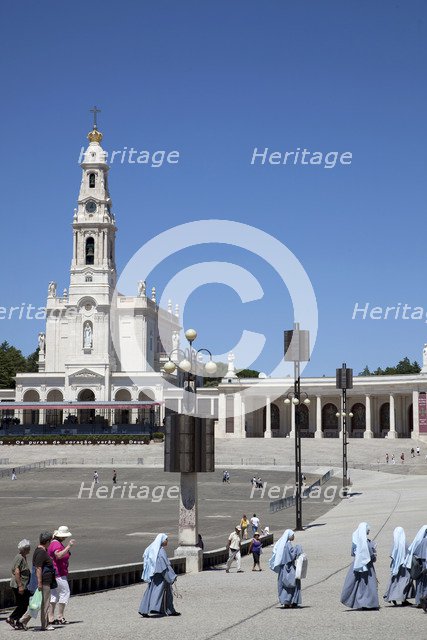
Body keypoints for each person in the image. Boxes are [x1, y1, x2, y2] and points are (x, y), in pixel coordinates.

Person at [19, 531, 56, 631]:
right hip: (44, 582)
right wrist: (39, 583)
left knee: (37, 604)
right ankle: (45, 624)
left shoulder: (40, 551)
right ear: (47, 541)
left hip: (44, 582)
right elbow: (38, 568)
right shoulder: (41, 552)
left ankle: (23, 620)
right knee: (45, 604)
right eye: (50, 541)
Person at [138, 533, 180, 617]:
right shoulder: (160, 551)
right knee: (160, 592)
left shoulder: (152, 548)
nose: (167, 541)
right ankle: (156, 609)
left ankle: (144, 609)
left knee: (151, 591)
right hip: (160, 576)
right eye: (166, 539)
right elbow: (164, 566)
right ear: (162, 540)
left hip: (153, 574)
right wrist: (172, 576)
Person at [340, 522, 379, 610]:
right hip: (367, 566)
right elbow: (371, 556)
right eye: (368, 530)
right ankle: (368, 603)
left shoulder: (355, 541)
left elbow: (352, 553)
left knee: (357, 584)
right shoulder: (367, 542)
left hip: (356, 565)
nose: (369, 531)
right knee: (368, 584)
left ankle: (359, 602)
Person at [48, 526, 75, 625]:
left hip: (55, 573)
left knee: (54, 595)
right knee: (65, 592)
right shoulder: (56, 543)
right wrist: (69, 546)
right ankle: (60, 616)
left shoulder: (55, 543)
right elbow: (58, 555)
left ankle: (51, 617)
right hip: (58, 573)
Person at [269, 529, 303, 608]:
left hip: (283, 568)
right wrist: (298, 548)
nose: (294, 536)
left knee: (284, 584)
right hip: (288, 568)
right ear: (289, 536)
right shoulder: (288, 544)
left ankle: (285, 601)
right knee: (292, 584)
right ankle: (291, 601)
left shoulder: (282, 543)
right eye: (293, 535)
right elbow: (291, 555)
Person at [383, 526, 414, 606]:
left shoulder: (395, 544)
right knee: (405, 582)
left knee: (395, 581)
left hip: (396, 566)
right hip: (405, 566)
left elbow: (391, 555)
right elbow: (410, 553)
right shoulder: (406, 543)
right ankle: (404, 599)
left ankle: (392, 597)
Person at [6, 539, 31, 628]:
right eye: (28, 548)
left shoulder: (22, 556)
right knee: (22, 604)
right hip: (18, 585)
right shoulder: (20, 557)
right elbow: (17, 572)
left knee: (24, 604)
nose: (30, 549)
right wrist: (20, 586)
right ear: (24, 549)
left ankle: (18, 621)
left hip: (22, 585)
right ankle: (12, 618)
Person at [405, 524, 427, 608]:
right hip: (424, 566)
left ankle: (419, 601)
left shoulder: (419, 541)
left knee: (420, 585)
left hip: (419, 567)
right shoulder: (425, 541)